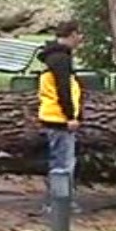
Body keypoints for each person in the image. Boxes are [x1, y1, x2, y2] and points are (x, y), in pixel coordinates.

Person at [36, 20, 85, 213]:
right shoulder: (61, 59)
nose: (80, 40)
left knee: (59, 160)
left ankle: (57, 201)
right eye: (80, 35)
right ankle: (59, 203)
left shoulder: (54, 57)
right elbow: (63, 89)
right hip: (59, 118)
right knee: (63, 164)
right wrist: (70, 116)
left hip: (53, 116)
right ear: (72, 34)